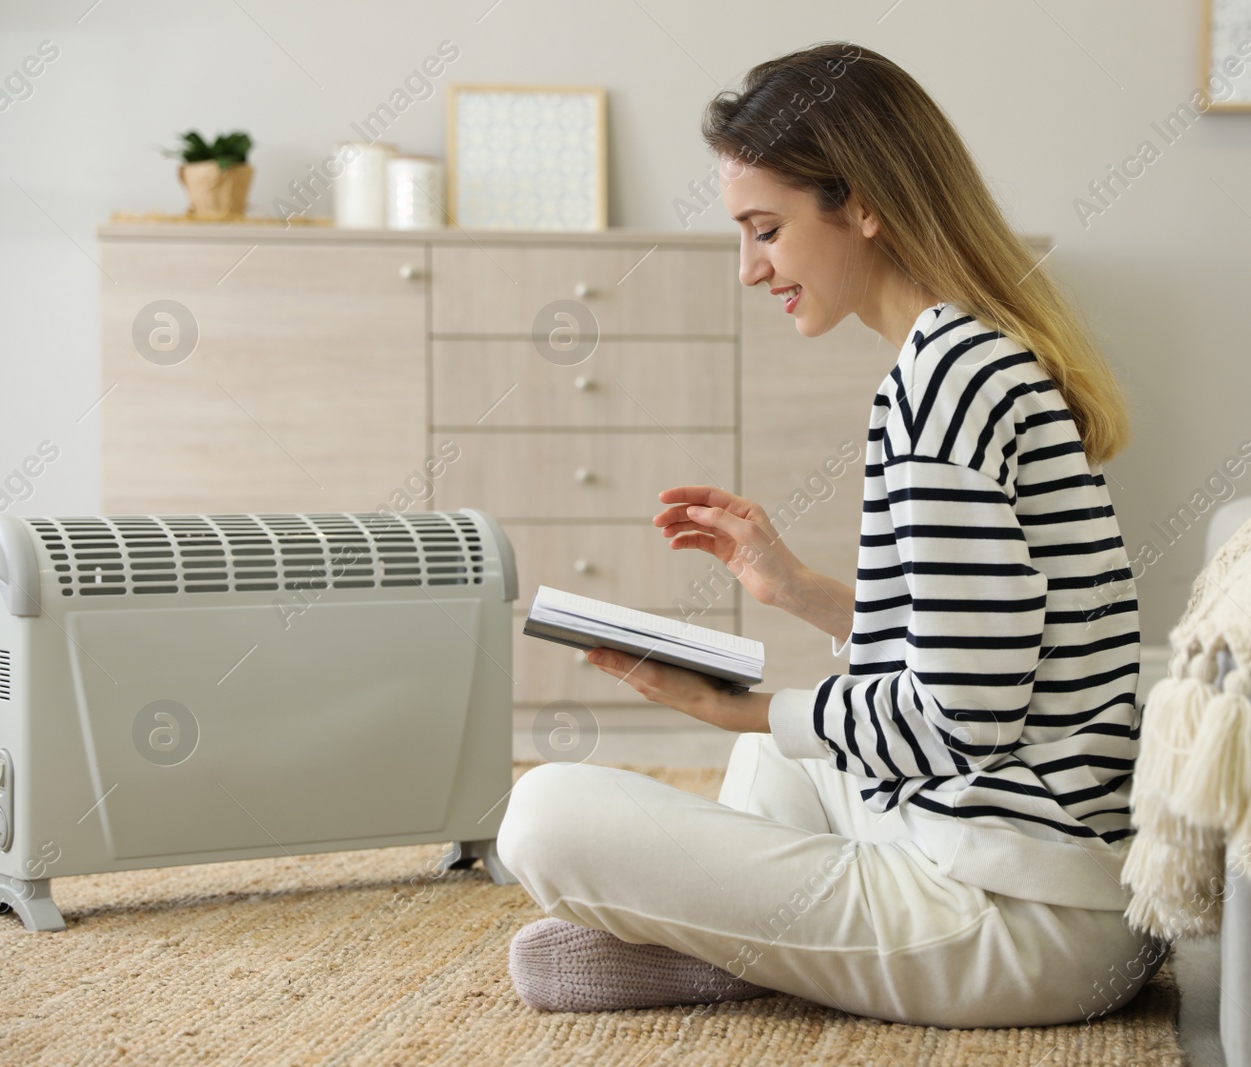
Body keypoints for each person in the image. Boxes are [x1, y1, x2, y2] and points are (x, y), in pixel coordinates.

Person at [495, 39, 1166, 1029]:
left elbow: (961, 716)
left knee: (543, 811)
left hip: (1028, 916)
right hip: (1014, 860)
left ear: (858, 202)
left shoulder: (947, 381)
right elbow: (979, 646)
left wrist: (737, 709)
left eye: (764, 228)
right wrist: (797, 586)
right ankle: (770, 943)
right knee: (791, 754)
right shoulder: (958, 356)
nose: (747, 267)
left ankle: (741, 948)